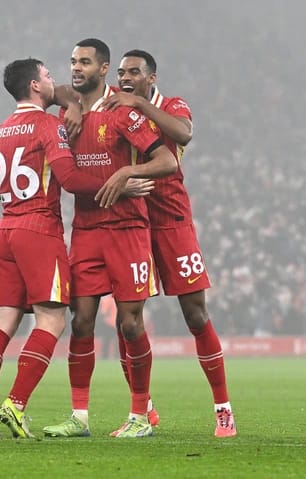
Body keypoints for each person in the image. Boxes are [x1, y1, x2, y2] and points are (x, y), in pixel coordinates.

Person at [0, 58, 114, 440]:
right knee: (52, 320)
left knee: (4, 320)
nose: (53, 80)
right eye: (47, 76)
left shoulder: (3, 129)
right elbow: (70, 178)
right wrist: (118, 182)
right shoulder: (48, 125)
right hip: (38, 230)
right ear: (34, 85)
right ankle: (15, 403)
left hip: (5, 230)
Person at [42, 38, 178, 439]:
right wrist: (67, 103)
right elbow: (50, 90)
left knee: (130, 323)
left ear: (104, 69)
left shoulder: (122, 109)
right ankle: (79, 417)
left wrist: (126, 175)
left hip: (128, 230)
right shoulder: (71, 107)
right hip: (85, 231)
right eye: (72, 61)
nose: (76, 68)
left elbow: (167, 160)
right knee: (81, 321)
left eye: (85, 62)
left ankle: (140, 415)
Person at [99, 49, 236, 437]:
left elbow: (184, 134)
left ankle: (223, 409)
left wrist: (139, 103)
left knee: (195, 315)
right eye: (122, 72)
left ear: (151, 78)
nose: (125, 78)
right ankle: (142, 411)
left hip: (172, 222)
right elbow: (81, 93)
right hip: (131, 223)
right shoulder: (113, 104)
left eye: (134, 72)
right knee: (128, 319)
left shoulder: (171, 105)